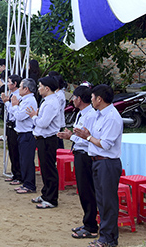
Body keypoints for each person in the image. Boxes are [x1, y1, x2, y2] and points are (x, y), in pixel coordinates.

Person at [74, 84, 123, 247]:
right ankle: (104, 236)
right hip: (97, 161)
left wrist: (87, 137)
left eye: (93, 97)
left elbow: (106, 144)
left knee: (108, 202)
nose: (91, 100)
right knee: (101, 201)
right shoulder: (100, 115)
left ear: (99, 99)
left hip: (107, 163)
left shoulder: (112, 117)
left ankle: (108, 239)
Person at [57, 86, 98, 239]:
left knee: (87, 190)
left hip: (86, 154)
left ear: (80, 99)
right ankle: (88, 222)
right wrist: (70, 135)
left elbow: (89, 140)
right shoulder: (81, 114)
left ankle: (91, 226)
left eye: (74, 97)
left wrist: (70, 138)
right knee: (83, 190)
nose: (72, 99)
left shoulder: (90, 115)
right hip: (80, 153)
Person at [27, 76, 61, 209]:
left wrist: (34, 117)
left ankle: (52, 198)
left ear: (47, 88)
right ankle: (46, 194)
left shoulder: (51, 102)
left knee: (49, 169)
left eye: (40, 86)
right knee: (45, 169)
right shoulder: (47, 100)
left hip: (48, 139)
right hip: (43, 139)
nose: (39, 89)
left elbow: (43, 123)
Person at [10, 78, 38, 194]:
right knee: (23, 159)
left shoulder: (29, 100)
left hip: (27, 134)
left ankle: (30, 185)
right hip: (22, 133)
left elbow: (20, 116)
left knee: (27, 160)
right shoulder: (24, 99)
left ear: (26, 89)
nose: (19, 90)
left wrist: (15, 106)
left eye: (20, 87)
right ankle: (25, 183)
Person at [1, 75, 22, 185]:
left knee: (15, 150)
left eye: (9, 82)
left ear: (14, 84)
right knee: (12, 150)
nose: (7, 84)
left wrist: (7, 102)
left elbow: (13, 111)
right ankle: (15, 173)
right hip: (10, 125)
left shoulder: (17, 95)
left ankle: (19, 175)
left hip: (15, 125)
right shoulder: (12, 94)